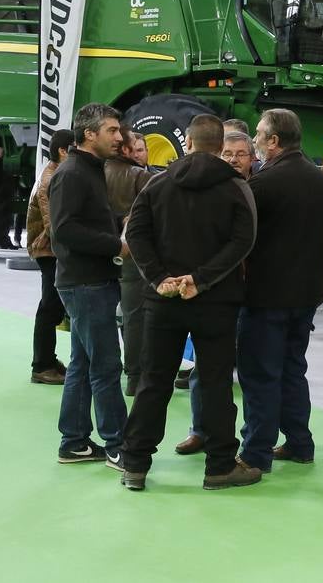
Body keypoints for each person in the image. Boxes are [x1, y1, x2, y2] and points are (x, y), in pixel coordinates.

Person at [121, 115, 258, 491]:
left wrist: (159, 276)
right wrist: (200, 279)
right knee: (215, 383)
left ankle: (135, 464)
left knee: (154, 381)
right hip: (216, 301)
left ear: (189, 143)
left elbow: (135, 231)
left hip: (162, 299)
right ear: (219, 147)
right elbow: (243, 240)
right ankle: (219, 467)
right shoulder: (236, 187)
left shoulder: (157, 182)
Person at [236, 109, 323, 472]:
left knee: (260, 374)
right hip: (306, 294)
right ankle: (299, 443)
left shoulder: (264, 183)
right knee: (293, 370)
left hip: (266, 295)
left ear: (274, 140)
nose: (255, 142)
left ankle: (255, 453)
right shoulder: (318, 179)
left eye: (259, 135)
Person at [48, 103, 131, 466]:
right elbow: (64, 229)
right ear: (89, 134)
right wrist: (117, 244)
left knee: (83, 365)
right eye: (112, 130)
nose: (120, 136)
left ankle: (75, 442)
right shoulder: (72, 174)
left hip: (89, 281)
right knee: (106, 366)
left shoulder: (90, 170)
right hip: (85, 283)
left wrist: (119, 220)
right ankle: (118, 445)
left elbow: (88, 218)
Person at [177, 129, 255, 457]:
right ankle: (200, 430)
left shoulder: (258, 190)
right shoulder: (208, 190)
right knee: (204, 369)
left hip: (252, 293)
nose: (234, 159)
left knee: (249, 370)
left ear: (253, 158)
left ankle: (252, 440)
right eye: (228, 154)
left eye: (240, 154)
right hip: (211, 291)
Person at [106, 130, 152, 397]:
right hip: (134, 256)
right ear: (125, 149)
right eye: (133, 148)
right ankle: (135, 376)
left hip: (98, 253)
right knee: (135, 317)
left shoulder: (94, 173)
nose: (138, 153)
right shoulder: (141, 177)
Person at [27, 129, 75, 385]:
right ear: (63, 151)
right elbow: (52, 223)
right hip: (48, 250)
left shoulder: (55, 174)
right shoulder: (51, 180)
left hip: (48, 249)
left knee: (50, 307)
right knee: (50, 307)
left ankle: (46, 360)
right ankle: (42, 365)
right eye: (74, 148)